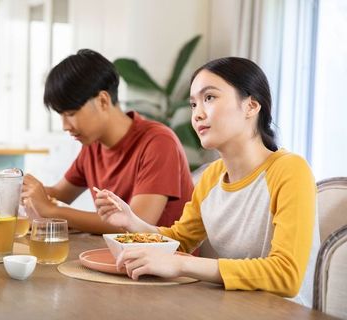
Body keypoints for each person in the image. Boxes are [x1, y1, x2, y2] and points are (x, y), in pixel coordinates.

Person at [95, 57, 320, 307]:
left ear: (251, 106)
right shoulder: (211, 176)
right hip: (231, 307)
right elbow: (181, 240)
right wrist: (133, 222)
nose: (197, 114)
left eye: (209, 98)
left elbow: (286, 275)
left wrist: (182, 264)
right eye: (193, 104)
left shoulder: (290, 170)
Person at [21, 49, 194, 234]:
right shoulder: (93, 145)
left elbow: (136, 222)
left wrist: (53, 210)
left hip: (166, 259)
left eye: (70, 114)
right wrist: (18, 188)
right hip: (120, 255)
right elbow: (58, 194)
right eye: (61, 116)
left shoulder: (158, 142)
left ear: (103, 100)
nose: (65, 126)